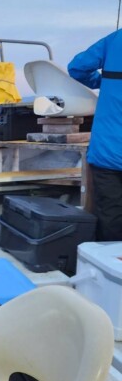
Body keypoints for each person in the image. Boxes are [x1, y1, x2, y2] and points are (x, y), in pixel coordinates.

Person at [68, 30, 122, 241]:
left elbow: (77, 68)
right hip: (107, 155)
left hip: (107, 154)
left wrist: (102, 81)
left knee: (110, 219)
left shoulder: (114, 40)